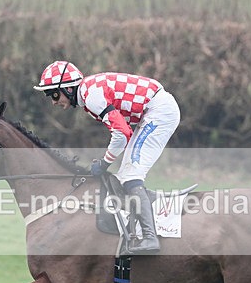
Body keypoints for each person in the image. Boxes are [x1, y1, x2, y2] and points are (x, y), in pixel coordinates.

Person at [34, 60, 180, 253]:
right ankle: (144, 218)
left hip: (159, 112)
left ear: (68, 88)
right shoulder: (88, 93)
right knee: (124, 176)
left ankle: (150, 238)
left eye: (53, 94)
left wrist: (104, 163)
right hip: (153, 110)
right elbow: (123, 132)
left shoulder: (91, 96)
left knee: (130, 176)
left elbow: (122, 133)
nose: (53, 101)